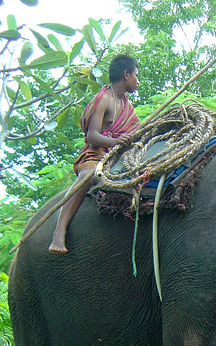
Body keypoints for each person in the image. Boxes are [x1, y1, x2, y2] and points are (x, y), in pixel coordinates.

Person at [49, 55, 140, 254]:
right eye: (136, 76)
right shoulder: (104, 99)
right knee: (88, 176)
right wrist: (116, 142)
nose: (137, 81)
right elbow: (92, 136)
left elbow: (137, 132)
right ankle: (59, 231)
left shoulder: (127, 106)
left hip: (116, 158)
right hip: (96, 155)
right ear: (126, 75)